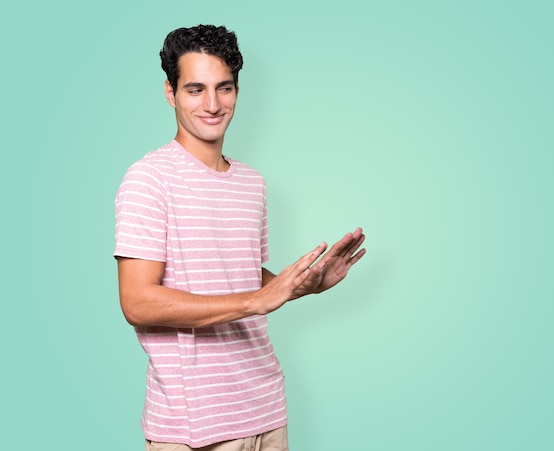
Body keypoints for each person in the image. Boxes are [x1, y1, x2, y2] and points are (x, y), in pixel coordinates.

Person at [114, 24, 366, 450]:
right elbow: (137, 302)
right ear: (170, 93)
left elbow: (242, 276)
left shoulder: (252, 183)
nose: (212, 104)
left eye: (224, 88)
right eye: (195, 89)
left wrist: (303, 286)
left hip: (266, 409)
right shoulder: (148, 179)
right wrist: (255, 302)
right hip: (195, 427)